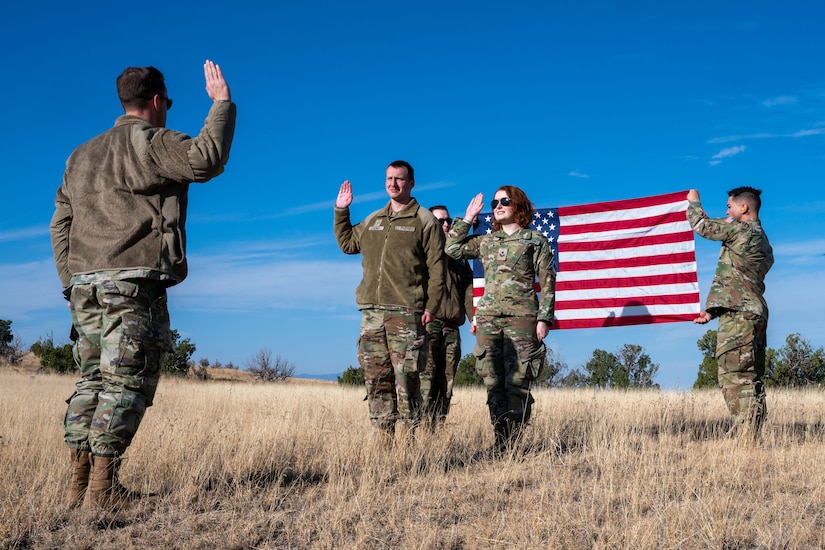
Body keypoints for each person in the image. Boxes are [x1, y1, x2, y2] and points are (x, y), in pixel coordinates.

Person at [50, 61, 236, 509]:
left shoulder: (80, 155)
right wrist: (221, 104)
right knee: (127, 383)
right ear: (156, 102)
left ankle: (79, 486)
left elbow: (60, 223)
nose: (168, 110)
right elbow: (205, 158)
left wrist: (70, 279)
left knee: (92, 379)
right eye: (168, 103)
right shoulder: (150, 142)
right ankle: (102, 490)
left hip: (84, 286)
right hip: (131, 283)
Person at [334, 161, 446, 443]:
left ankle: (409, 443)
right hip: (372, 313)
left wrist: (431, 307)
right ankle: (384, 441)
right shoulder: (374, 219)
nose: (393, 183)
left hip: (407, 312)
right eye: (389, 178)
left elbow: (437, 269)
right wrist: (341, 210)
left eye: (399, 179)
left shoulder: (425, 221)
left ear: (411, 183)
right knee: (376, 378)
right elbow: (347, 243)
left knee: (406, 378)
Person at [446, 186, 555, 452]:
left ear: (519, 205)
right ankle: (501, 441)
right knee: (493, 382)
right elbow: (451, 248)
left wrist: (544, 319)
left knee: (518, 382)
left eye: (505, 200)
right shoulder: (487, 241)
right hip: (489, 320)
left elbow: (548, 280)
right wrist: (468, 218)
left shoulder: (535, 241)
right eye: (495, 202)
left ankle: (515, 444)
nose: (498, 205)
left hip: (523, 318)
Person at [686, 187, 773, 438]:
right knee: (751, 377)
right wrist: (712, 312)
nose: (726, 210)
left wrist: (694, 202)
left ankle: (747, 437)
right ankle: (754, 434)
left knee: (735, 377)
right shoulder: (763, 240)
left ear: (743, 208)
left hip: (739, 316)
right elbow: (738, 281)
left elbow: (702, 225)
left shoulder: (741, 230)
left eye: (728, 206)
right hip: (753, 312)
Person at [419, 206, 474, 430]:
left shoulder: (459, 259)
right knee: (425, 379)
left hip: (452, 327)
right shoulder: (424, 249)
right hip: (427, 325)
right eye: (440, 220)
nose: (445, 224)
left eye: (448, 220)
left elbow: (469, 291)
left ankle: (437, 428)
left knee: (447, 381)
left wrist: (475, 319)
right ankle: (419, 428)